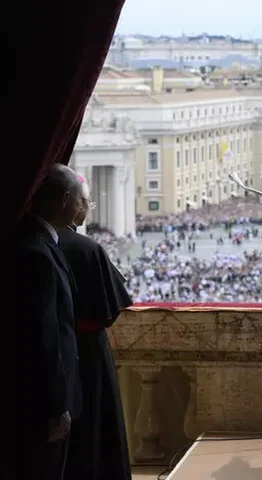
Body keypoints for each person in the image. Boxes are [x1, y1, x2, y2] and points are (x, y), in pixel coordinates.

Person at [3, 164, 85, 479]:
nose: (82, 209)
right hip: (41, 406)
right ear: (65, 199)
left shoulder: (41, 242)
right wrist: (56, 406)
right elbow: (44, 338)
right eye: (80, 200)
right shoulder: (36, 252)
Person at [58, 178, 133, 480]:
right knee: (95, 435)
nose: (89, 207)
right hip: (88, 354)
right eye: (87, 201)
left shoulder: (26, 242)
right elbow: (111, 308)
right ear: (72, 204)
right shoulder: (87, 248)